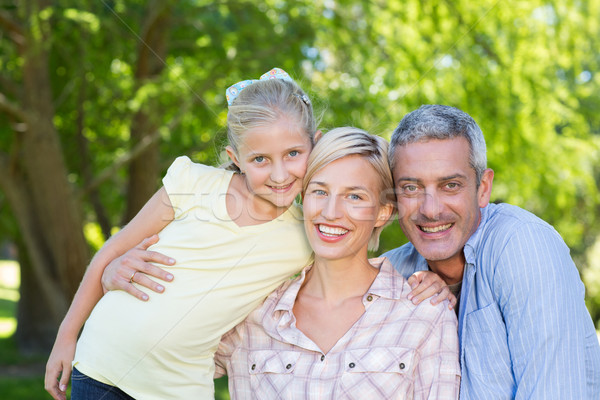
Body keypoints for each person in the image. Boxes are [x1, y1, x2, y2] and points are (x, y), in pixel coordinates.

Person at [45, 68, 319, 400]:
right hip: (102, 366)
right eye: (260, 159)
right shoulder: (194, 184)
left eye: (293, 154)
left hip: (179, 388)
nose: (279, 174)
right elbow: (113, 249)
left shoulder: (305, 236)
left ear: (314, 145)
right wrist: (66, 336)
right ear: (237, 159)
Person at [214, 127, 461, 399]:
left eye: (354, 197)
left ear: (382, 212)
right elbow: (168, 360)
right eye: (319, 192)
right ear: (303, 198)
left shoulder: (424, 314)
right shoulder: (253, 310)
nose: (330, 212)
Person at [382, 104, 600, 399]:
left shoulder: (522, 246)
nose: (430, 210)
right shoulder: (391, 273)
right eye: (411, 188)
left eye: (450, 185)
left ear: (483, 188)